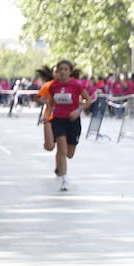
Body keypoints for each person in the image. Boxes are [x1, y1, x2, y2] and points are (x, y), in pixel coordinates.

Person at [46, 59, 95, 191]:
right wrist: (46, 117)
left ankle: (60, 166)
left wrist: (78, 110)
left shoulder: (76, 85)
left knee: (69, 154)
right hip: (58, 120)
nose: (62, 72)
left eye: (65, 69)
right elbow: (51, 103)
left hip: (73, 122)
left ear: (70, 72)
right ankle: (64, 180)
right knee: (62, 149)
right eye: (60, 69)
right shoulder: (53, 86)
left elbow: (88, 100)